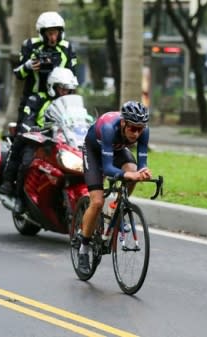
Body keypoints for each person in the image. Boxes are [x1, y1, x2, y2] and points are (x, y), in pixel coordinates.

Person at [77, 101, 153, 275]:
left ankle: (117, 208)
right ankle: (84, 248)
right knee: (96, 202)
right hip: (95, 151)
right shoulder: (109, 128)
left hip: (116, 150)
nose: (136, 133)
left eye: (140, 129)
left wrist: (143, 172)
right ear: (123, 123)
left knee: (134, 171)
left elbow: (141, 164)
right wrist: (128, 175)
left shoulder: (143, 131)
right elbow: (109, 168)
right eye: (133, 128)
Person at [0, 67, 79, 210]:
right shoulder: (37, 99)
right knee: (27, 162)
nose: (65, 92)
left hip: (63, 142)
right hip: (38, 140)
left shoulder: (72, 106)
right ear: (52, 87)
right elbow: (27, 118)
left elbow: (81, 120)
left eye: (68, 90)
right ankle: (16, 194)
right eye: (62, 89)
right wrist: (32, 128)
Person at [13, 11, 78, 116]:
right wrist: (28, 66)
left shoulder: (67, 47)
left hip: (60, 102)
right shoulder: (30, 45)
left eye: (55, 33)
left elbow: (73, 77)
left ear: (60, 32)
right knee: (24, 130)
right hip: (32, 100)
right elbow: (18, 74)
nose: (53, 38)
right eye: (49, 33)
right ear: (42, 33)